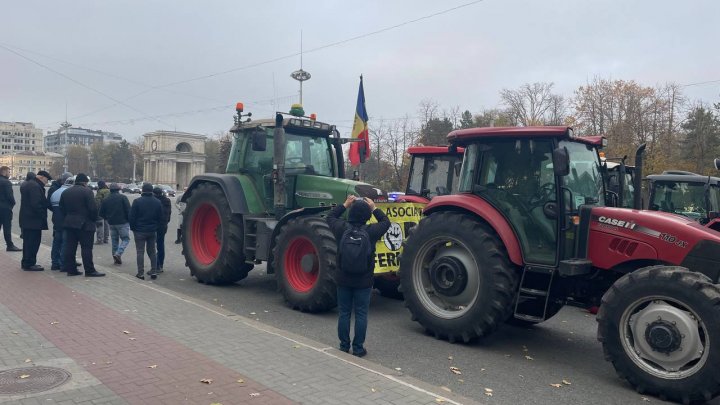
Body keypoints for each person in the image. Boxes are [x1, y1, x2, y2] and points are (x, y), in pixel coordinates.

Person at [326, 195, 390, 357]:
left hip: (343, 278)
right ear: (367, 215)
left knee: (344, 312)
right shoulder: (372, 231)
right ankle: (358, 348)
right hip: (364, 280)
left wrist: (345, 204)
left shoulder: (341, 229)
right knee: (361, 314)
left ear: (351, 213)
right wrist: (374, 208)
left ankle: (343, 345)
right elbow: (386, 222)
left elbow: (330, 216)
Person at [59, 173, 105, 277]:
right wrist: (93, 219)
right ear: (85, 182)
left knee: (70, 247)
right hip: (85, 224)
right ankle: (89, 270)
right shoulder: (87, 192)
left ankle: (71, 270)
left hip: (69, 223)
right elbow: (93, 209)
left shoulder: (66, 192)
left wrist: (68, 217)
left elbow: (61, 208)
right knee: (86, 248)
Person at [129, 183, 163, 280]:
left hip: (139, 230)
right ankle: (154, 271)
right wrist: (156, 227)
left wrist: (133, 228)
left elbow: (132, 217)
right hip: (152, 231)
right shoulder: (157, 202)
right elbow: (160, 217)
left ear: (142, 190)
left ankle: (140, 273)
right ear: (151, 191)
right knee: (152, 251)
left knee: (140, 252)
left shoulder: (137, 201)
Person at [19, 170, 52, 271]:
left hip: (27, 219)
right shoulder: (35, 187)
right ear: (41, 177)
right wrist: (42, 215)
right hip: (33, 220)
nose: (47, 182)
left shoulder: (28, 184)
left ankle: (26, 262)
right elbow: (36, 204)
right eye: (46, 180)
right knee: (33, 243)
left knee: (27, 242)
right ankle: (30, 263)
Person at [100, 183, 131, 265]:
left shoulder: (106, 199)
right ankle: (118, 253)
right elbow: (128, 210)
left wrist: (108, 219)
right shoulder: (123, 197)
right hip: (122, 222)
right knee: (126, 239)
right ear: (118, 190)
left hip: (111, 223)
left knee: (114, 241)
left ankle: (115, 259)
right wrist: (129, 220)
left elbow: (101, 213)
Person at [49, 174, 74, 270]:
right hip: (66, 221)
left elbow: (51, 206)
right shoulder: (68, 192)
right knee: (65, 243)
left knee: (56, 242)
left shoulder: (55, 192)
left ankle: (55, 263)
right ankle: (64, 264)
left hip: (56, 221)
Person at [0, 166, 21, 252]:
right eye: (9, 172)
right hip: (5, 208)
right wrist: (12, 204)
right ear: (4, 172)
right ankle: (10, 245)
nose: (9, 174)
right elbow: (10, 197)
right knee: (7, 227)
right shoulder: (6, 182)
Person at [153, 187, 171, 272]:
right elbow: (169, 214)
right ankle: (160, 265)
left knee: (153, 246)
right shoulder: (167, 201)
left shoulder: (154, 201)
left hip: (155, 226)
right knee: (160, 245)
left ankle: (156, 266)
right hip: (163, 226)